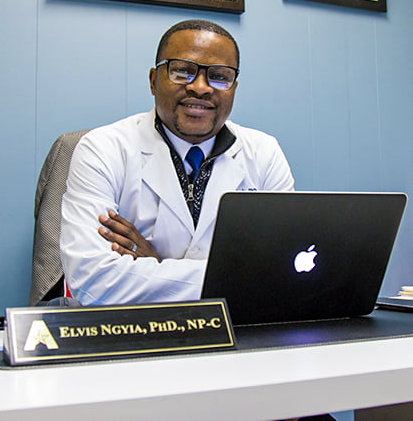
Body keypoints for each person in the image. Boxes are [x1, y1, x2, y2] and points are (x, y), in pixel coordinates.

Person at [60, 19, 295, 306]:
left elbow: (281, 275)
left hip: (236, 332)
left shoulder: (264, 153)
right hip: (131, 333)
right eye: (183, 71)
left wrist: (156, 265)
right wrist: (233, 278)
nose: (201, 87)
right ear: (153, 80)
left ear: (234, 87)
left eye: (220, 76)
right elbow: (94, 281)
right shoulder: (103, 148)